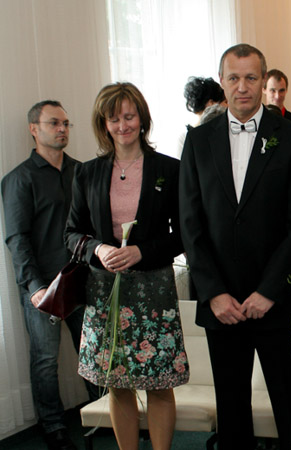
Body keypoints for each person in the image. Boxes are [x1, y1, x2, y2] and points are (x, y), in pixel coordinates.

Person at [179, 43, 291, 450]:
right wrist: (214, 293)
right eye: (234, 78)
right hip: (221, 304)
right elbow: (190, 224)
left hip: (274, 301)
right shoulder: (198, 141)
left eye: (251, 78)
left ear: (263, 80)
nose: (243, 87)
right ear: (222, 82)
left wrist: (269, 290)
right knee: (232, 412)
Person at [64, 82, 188, 450]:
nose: (123, 125)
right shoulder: (87, 173)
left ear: (142, 119)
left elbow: (184, 235)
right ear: (103, 124)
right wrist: (99, 249)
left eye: (129, 116)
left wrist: (141, 252)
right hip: (104, 291)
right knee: (117, 384)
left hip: (153, 290)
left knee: (160, 383)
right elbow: (71, 234)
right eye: (114, 118)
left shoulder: (170, 169)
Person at [1, 100, 94, 450]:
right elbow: (17, 239)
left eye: (66, 123)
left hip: (84, 280)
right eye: (54, 123)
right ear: (34, 129)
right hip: (45, 286)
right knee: (45, 360)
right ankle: (54, 427)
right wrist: (34, 286)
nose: (62, 129)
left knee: (94, 352)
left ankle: (104, 415)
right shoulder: (18, 179)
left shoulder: (82, 171)